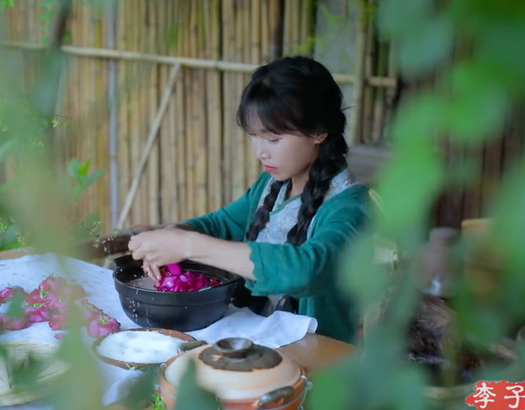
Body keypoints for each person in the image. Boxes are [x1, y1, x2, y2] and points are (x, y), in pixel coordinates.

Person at [127, 56, 370, 343]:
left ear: (318, 132)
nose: (260, 152)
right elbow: (221, 224)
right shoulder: (272, 185)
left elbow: (306, 270)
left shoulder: (350, 205)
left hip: (318, 356)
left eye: (273, 139)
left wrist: (188, 245)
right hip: (260, 342)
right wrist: (175, 234)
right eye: (254, 135)